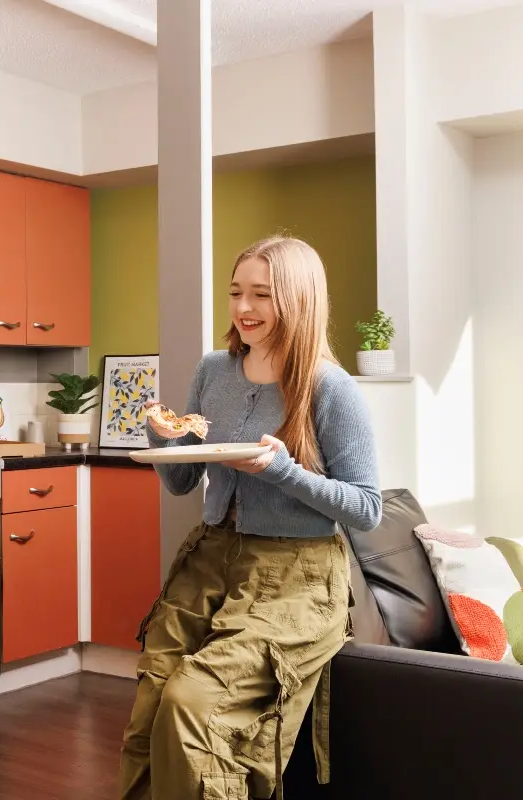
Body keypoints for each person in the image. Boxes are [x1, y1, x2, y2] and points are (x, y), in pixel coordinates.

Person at [117, 235, 381, 800]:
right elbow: (183, 479)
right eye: (237, 292)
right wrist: (160, 436)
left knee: (194, 707)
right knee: (152, 706)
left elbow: (366, 508)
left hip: (296, 573)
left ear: (298, 299)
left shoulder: (329, 387)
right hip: (209, 556)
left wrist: (282, 471)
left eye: (262, 294)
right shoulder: (214, 370)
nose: (243, 308)